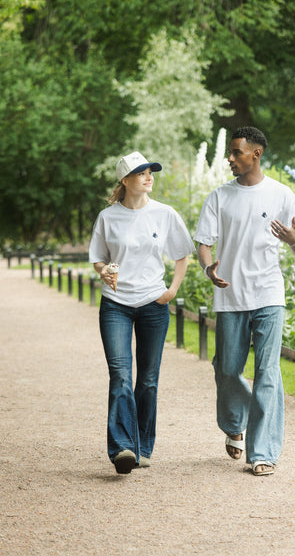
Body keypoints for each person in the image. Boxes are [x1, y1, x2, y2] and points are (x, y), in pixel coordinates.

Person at [194, 126, 295, 476]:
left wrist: (293, 240)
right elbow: (203, 242)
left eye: (236, 152)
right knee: (227, 369)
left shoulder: (281, 193)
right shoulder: (219, 197)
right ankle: (234, 422)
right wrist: (207, 268)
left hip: (269, 295)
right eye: (229, 153)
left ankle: (263, 453)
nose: (229, 158)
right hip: (230, 294)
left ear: (255, 154)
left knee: (268, 373)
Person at [89, 151, 195, 474]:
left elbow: (182, 254)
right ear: (125, 180)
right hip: (116, 305)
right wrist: (104, 270)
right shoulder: (108, 217)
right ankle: (122, 447)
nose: (149, 176)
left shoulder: (164, 214)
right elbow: (98, 258)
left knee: (148, 379)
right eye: (140, 172)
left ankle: (143, 446)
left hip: (153, 304)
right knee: (120, 374)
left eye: (150, 171)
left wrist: (172, 290)